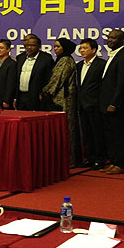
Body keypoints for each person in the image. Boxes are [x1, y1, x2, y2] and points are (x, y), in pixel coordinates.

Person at [42, 38, 81, 167]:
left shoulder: (66, 60)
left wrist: (45, 91)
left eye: (58, 46)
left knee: (67, 129)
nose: (56, 49)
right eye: (55, 46)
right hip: (59, 99)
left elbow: (57, 80)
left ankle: (70, 160)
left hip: (65, 100)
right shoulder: (60, 59)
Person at [98, 29, 124, 175]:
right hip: (106, 104)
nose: (110, 40)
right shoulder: (113, 55)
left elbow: (121, 83)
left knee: (120, 135)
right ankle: (113, 162)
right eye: (109, 37)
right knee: (110, 135)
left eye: (114, 38)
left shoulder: (123, 56)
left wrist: (114, 103)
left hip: (117, 105)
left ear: (121, 40)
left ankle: (121, 164)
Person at [76, 38, 106, 169]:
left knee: (97, 133)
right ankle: (90, 158)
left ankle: (100, 159)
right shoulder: (79, 65)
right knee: (86, 133)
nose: (82, 50)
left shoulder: (101, 64)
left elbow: (104, 86)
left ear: (93, 50)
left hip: (96, 105)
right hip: (82, 105)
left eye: (85, 48)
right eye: (80, 48)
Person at [15, 34, 54, 111]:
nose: (29, 47)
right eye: (28, 45)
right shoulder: (20, 57)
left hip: (37, 97)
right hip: (21, 96)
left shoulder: (46, 58)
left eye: (33, 45)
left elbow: (49, 79)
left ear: (39, 46)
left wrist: (43, 93)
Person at [0, 39, 17, 109]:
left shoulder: (12, 64)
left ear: (8, 50)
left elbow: (11, 84)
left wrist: (7, 100)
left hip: (5, 100)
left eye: (1, 48)